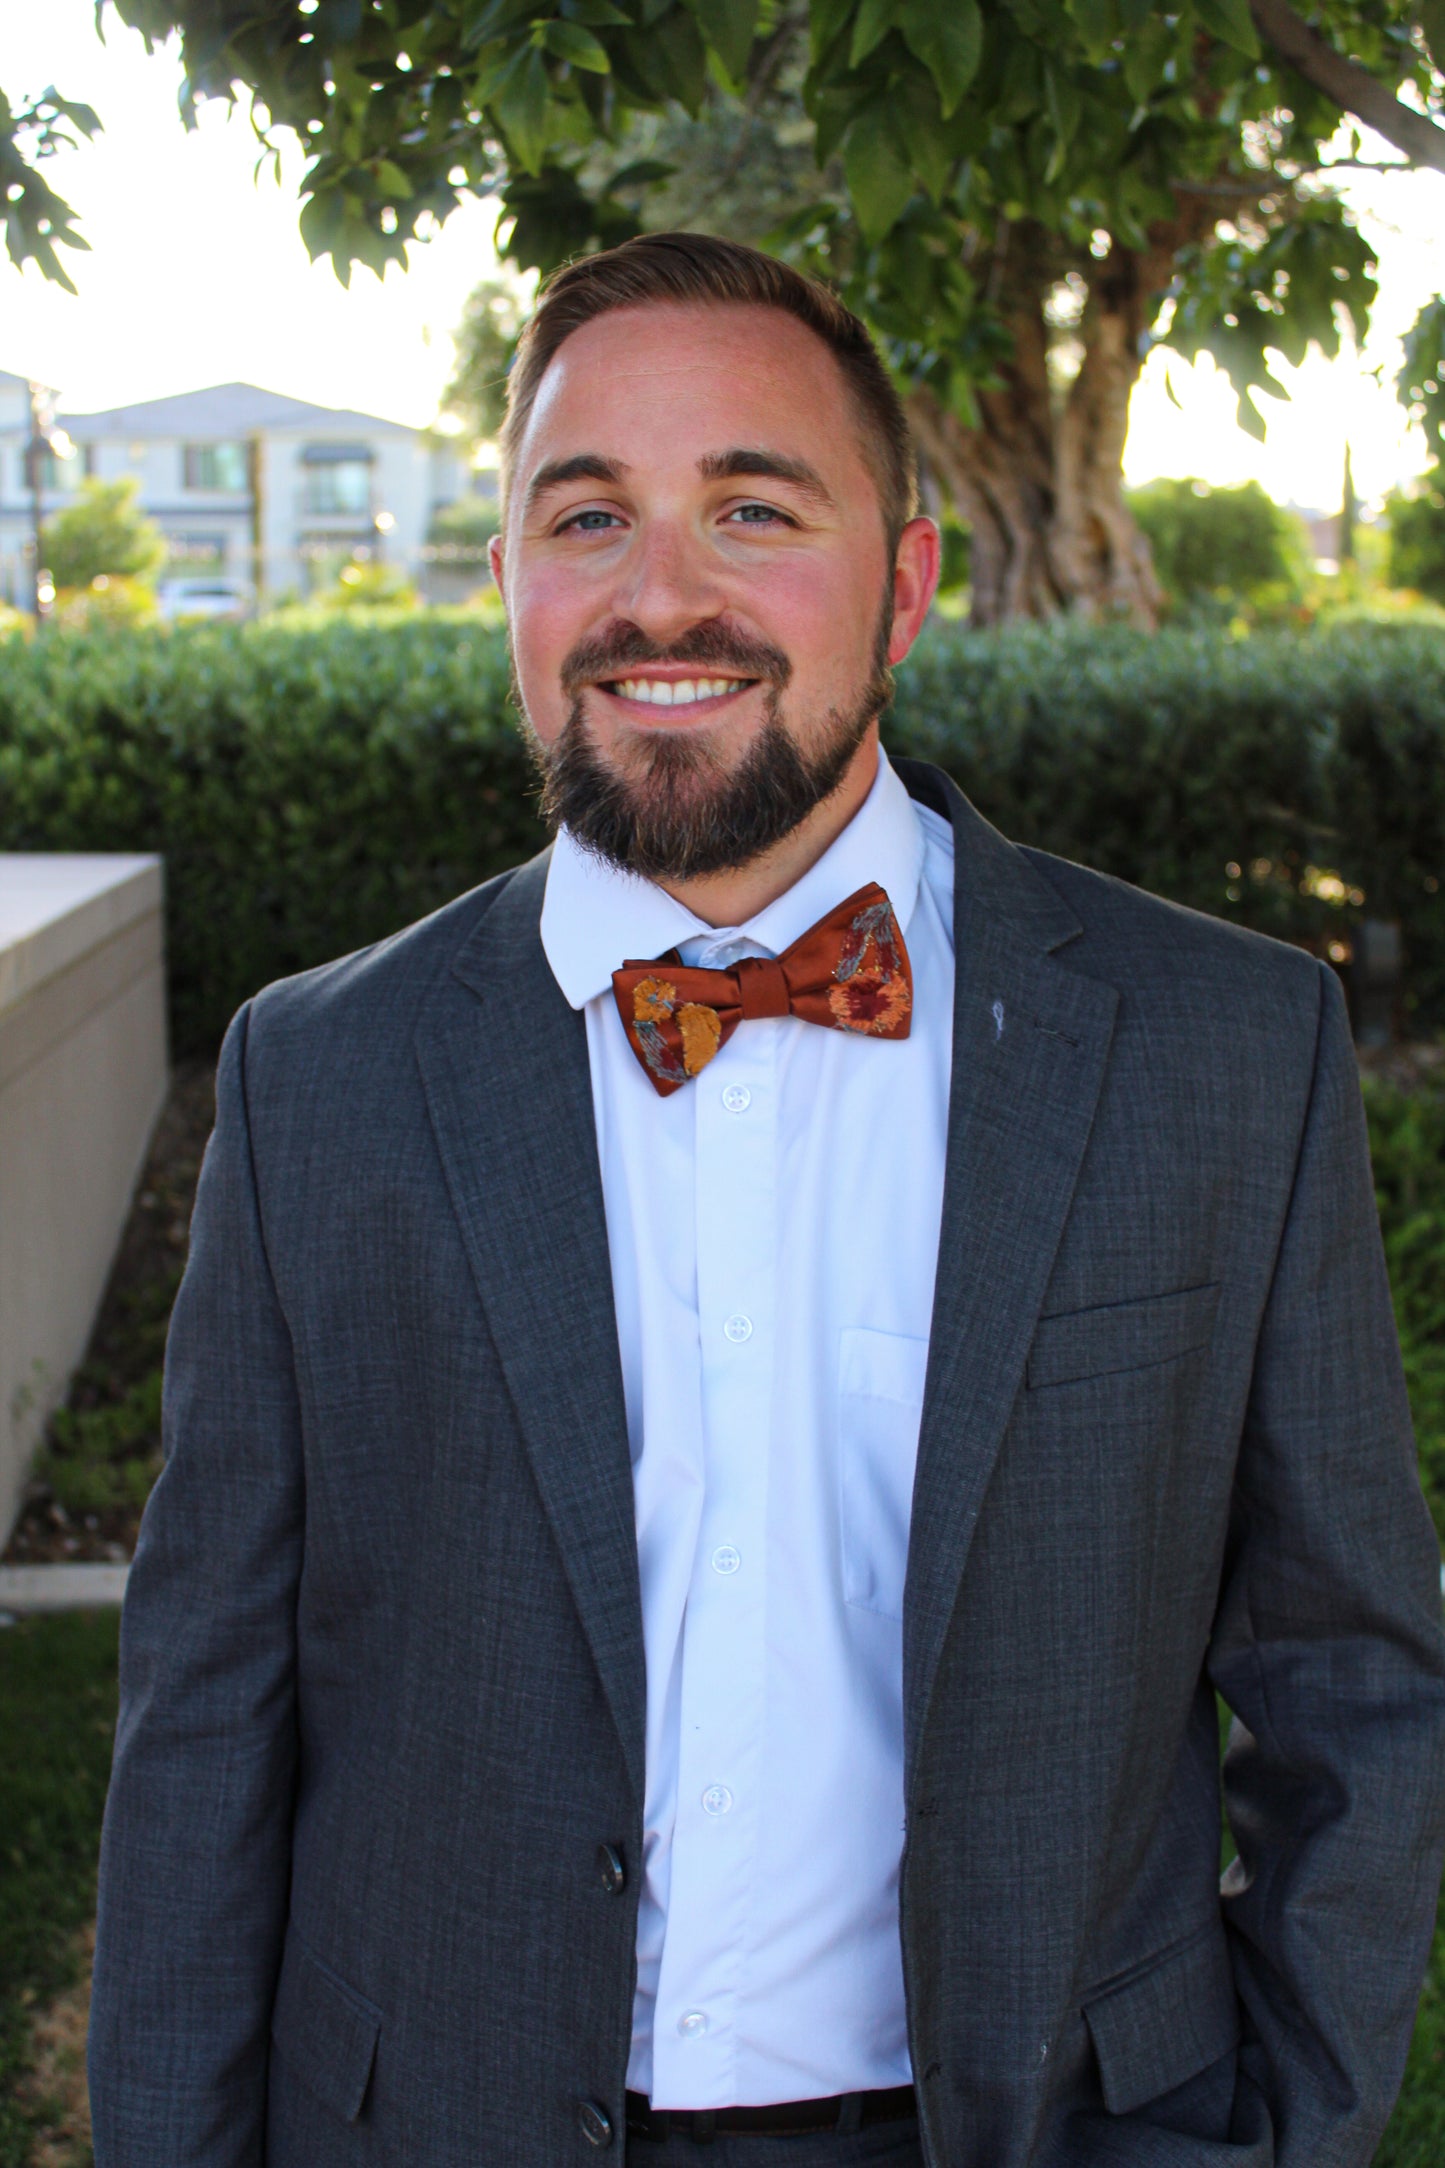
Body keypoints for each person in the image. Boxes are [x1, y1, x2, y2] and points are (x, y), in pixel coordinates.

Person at [89, 232, 1445, 2168]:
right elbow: (202, 1725)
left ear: (901, 587)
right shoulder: (323, 1079)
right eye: (585, 515)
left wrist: (1287, 2132)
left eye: (751, 505)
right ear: (504, 584)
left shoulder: (1221, 1046)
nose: (662, 593)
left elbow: (1352, 1682)